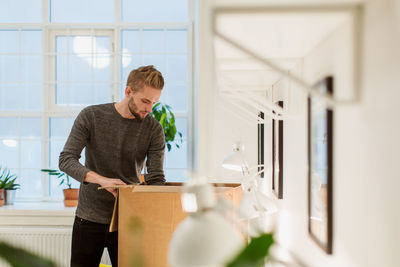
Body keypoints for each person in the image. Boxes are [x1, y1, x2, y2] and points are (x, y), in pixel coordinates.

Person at [59, 65, 166, 267]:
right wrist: (101, 180)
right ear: (128, 92)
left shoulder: (153, 129)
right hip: (89, 218)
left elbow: (156, 179)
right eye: (145, 101)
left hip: (130, 221)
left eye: (154, 102)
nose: (149, 109)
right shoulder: (91, 116)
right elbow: (66, 160)